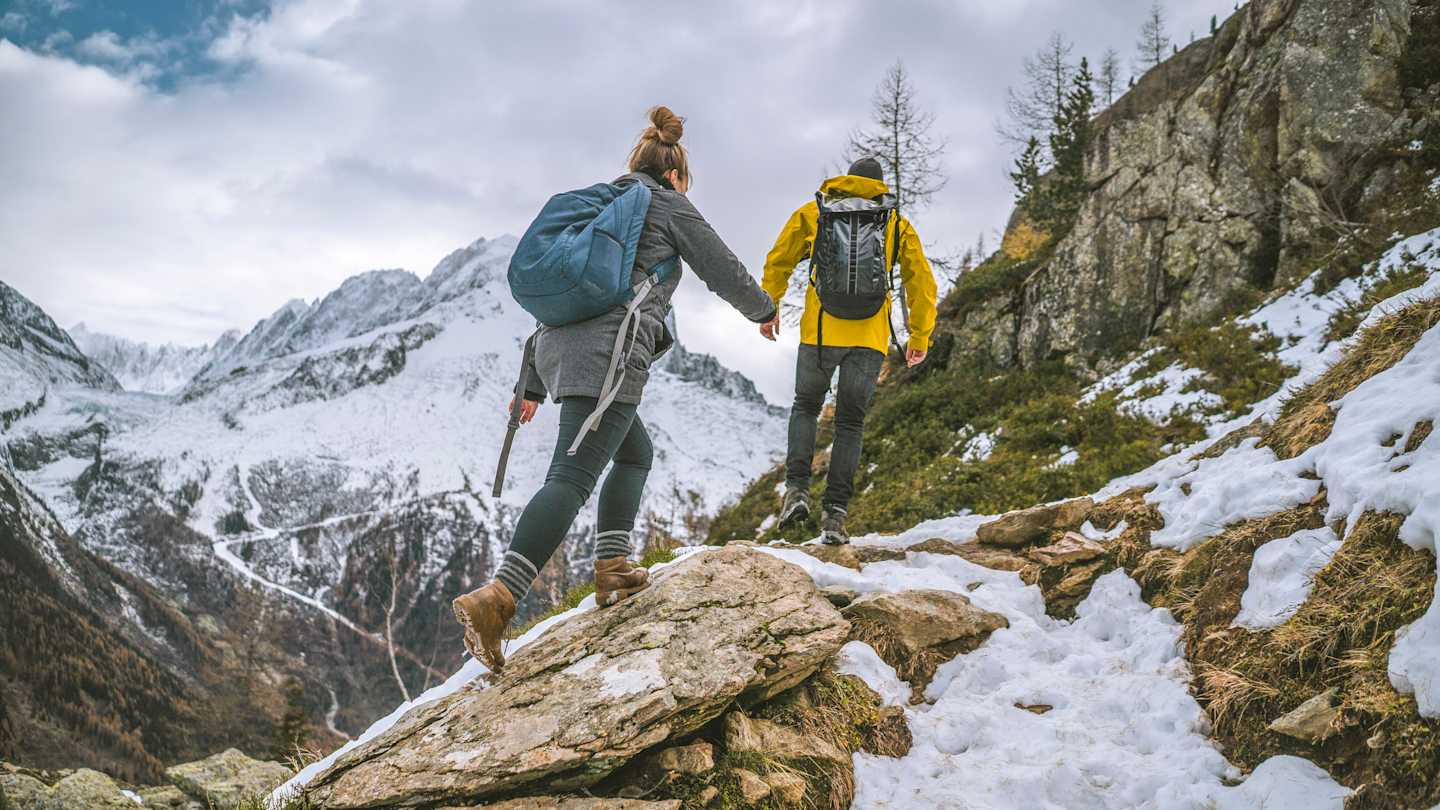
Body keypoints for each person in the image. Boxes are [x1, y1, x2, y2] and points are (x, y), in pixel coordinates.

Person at [451, 106, 777, 671]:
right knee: (571, 478)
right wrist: (764, 310)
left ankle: (612, 568)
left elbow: (566, 297)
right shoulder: (667, 204)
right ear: (675, 175)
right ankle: (498, 599)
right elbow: (720, 266)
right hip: (610, 355)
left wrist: (530, 383)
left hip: (560, 352)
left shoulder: (598, 204)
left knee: (635, 453)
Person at [759, 157, 938, 545]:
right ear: (878, 185)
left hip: (820, 332)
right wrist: (919, 335)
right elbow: (920, 280)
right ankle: (835, 516)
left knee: (806, 407)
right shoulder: (895, 221)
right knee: (850, 423)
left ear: (846, 180)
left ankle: (797, 492)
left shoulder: (815, 211)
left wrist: (769, 307)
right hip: (869, 337)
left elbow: (780, 260)